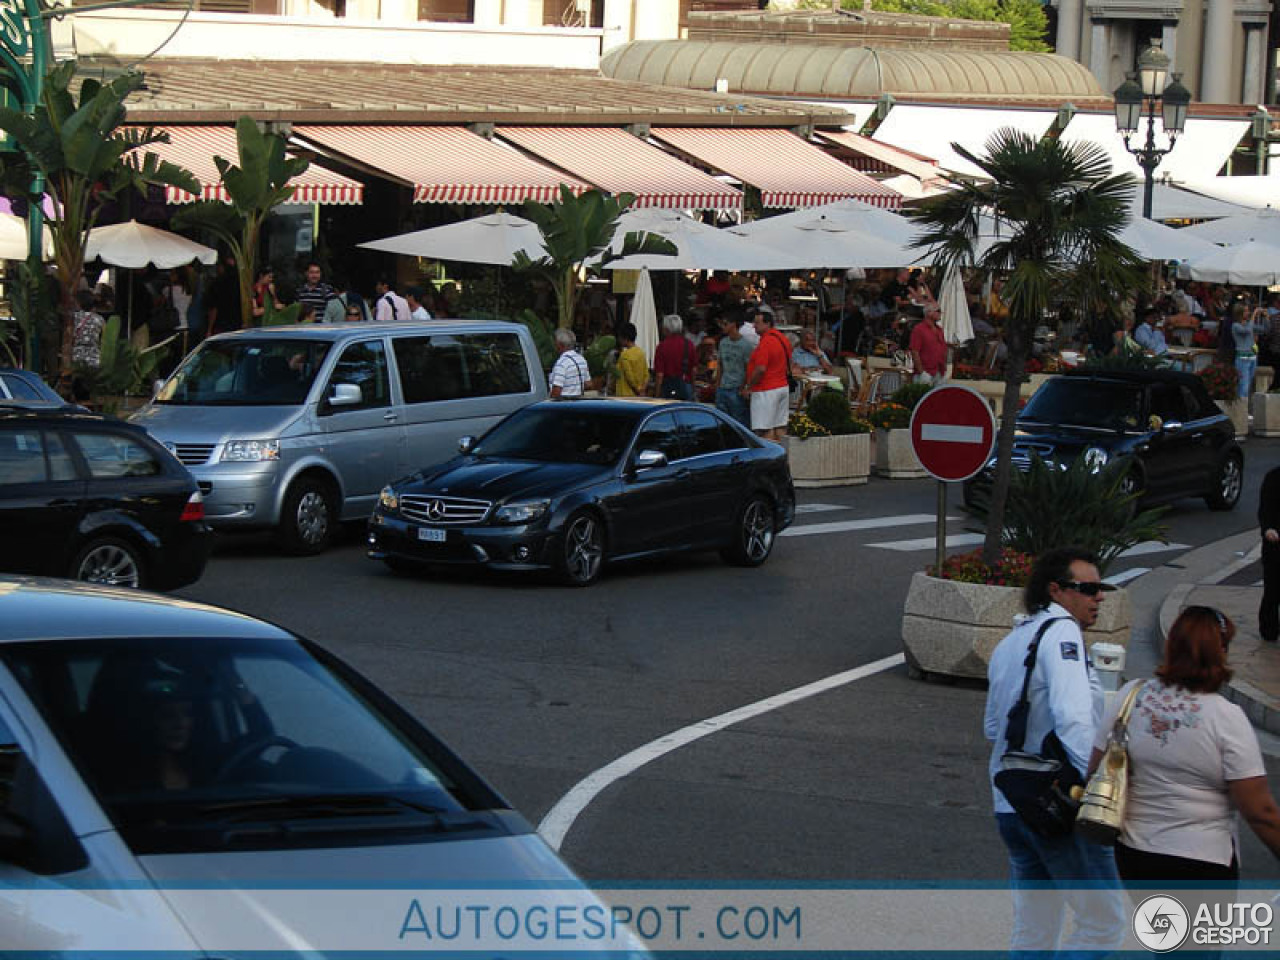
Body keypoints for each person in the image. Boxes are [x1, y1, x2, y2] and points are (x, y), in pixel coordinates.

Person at [983, 546, 1126, 956]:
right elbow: (1074, 721)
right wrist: (1098, 789)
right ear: (1055, 590)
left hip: (1012, 802)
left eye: (1102, 589)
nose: (1099, 596)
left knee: (1034, 928)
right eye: (1089, 588)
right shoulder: (1063, 632)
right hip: (1056, 803)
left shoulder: (1013, 640)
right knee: (1102, 925)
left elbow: (992, 727)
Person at [1091, 607, 1280, 889]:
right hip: (1202, 861)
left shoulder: (1132, 696)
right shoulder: (1225, 717)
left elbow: (1095, 768)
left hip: (1134, 854)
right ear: (1220, 652)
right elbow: (1259, 811)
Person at [739, 307, 791, 441]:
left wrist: (748, 387)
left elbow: (760, 369)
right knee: (780, 427)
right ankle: (785, 457)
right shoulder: (782, 338)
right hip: (782, 386)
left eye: (757, 323)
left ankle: (771, 460)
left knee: (764, 430)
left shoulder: (766, 342)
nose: (754, 326)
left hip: (766, 390)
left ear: (767, 324)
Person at [714, 308, 752, 428]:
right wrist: (718, 384)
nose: (723, 327)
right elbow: (720, 364)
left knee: (738, 421)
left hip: (736, 388)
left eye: (725, 324)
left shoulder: (745, 345)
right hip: (723, 387)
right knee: (721, 421)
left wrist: (743, 387)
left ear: (733, 324)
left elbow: (748, 368)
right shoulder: (723, 342)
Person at [1259, 465, 1280, 645]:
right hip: (1275, 545)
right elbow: (1265, 509)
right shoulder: (1273, 477)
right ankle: (1269, 628)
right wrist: (1268, 529)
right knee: (1273, 588)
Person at [653, 314, 695, 401]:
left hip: (667, 388)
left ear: (666, 329)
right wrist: (693, 388)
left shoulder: (662, 346)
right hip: (685, 386)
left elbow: (659, 374)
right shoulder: (689, 344)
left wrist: (656, 395)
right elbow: (694, 370)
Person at [908, 305, 947, 385]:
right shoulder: (919, 329)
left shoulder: (939, 330)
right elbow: (914, 352)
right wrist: (922, 372)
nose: (940, 313)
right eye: (938, 311)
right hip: (925, 372)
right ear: (929, 313)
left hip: (939, 372)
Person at [548, 328, 589, 399]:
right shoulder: (581, 359)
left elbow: (556, 391)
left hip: (563, 405)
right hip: (578, 403)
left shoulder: (562, 363)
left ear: (559, 344)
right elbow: (588, 384)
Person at [613, 322, 649, 398]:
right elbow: (646, 374)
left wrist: (638, 390)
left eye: (619, 337)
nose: (618, 339)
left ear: (625, 338)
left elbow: (630, 378)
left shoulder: (624, 355)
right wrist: (642, 389)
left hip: (625, 395)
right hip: (639, 396)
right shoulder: (641, 352)